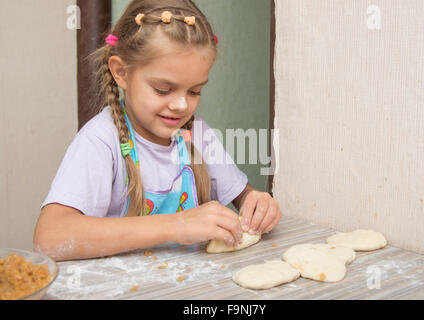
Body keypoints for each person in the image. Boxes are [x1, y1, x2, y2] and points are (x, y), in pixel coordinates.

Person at [34, 0, 281, 261]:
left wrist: (257, 203)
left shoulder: (196, 134)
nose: (181, 105)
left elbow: (243, 196)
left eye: (195, 91)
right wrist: (176, 225)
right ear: (121, 73)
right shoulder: (101, 141)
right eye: (163, 89)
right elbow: (49, 238)